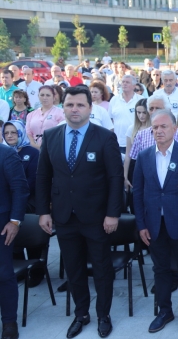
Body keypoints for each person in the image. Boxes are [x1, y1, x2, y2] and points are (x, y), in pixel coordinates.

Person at [36, 85, 123, 339]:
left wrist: (113, 213)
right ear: (62, 107)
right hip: (64, 217)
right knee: (73, 270)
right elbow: (43, 177)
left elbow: (115, 178)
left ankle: (103, 315)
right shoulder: (51, 136)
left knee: (101, 269)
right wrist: (43, 212)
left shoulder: (104, 137)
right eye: (70, 105)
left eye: (80, 105)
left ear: (90, 108)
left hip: (97, 218)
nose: (75, 109)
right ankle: (81, 314)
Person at [132, 109, 178, 335]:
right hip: (154, 225)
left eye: (163, 126)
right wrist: (141, 225)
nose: (159, 131)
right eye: (155, 127)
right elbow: (138, 194)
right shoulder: (143, 157)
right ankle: (164, 311)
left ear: (174, 128)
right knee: (160, 269)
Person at [0, 134, 29, 339]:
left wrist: (15, 221)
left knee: (3, 273)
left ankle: (9, 322)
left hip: (2, 226)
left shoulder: (7, 154)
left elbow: (20, 189)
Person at [2, 120, 38, 213]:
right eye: (6, 133)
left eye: (14, 132)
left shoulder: (33, 153)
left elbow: (33, 179)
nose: (9, 135)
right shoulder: (3, 152)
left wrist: (11, 194)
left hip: (26, 199)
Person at [123, 99, 150, 211]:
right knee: (135, 200)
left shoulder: (154, 128)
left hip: (150, 166)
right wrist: (124, 176)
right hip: (135, 166)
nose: (141, 116)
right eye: (138, 112)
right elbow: (128, 154)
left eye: (144, 112)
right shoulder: (132, 128)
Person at [108, 75, 143, 153]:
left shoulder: (141, 100)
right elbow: (110, 120)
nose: (124, 84)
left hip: (136, 141)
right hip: (118, 142)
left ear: (134, 86)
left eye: (127, 82)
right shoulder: (114, 100)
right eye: (123, 82)